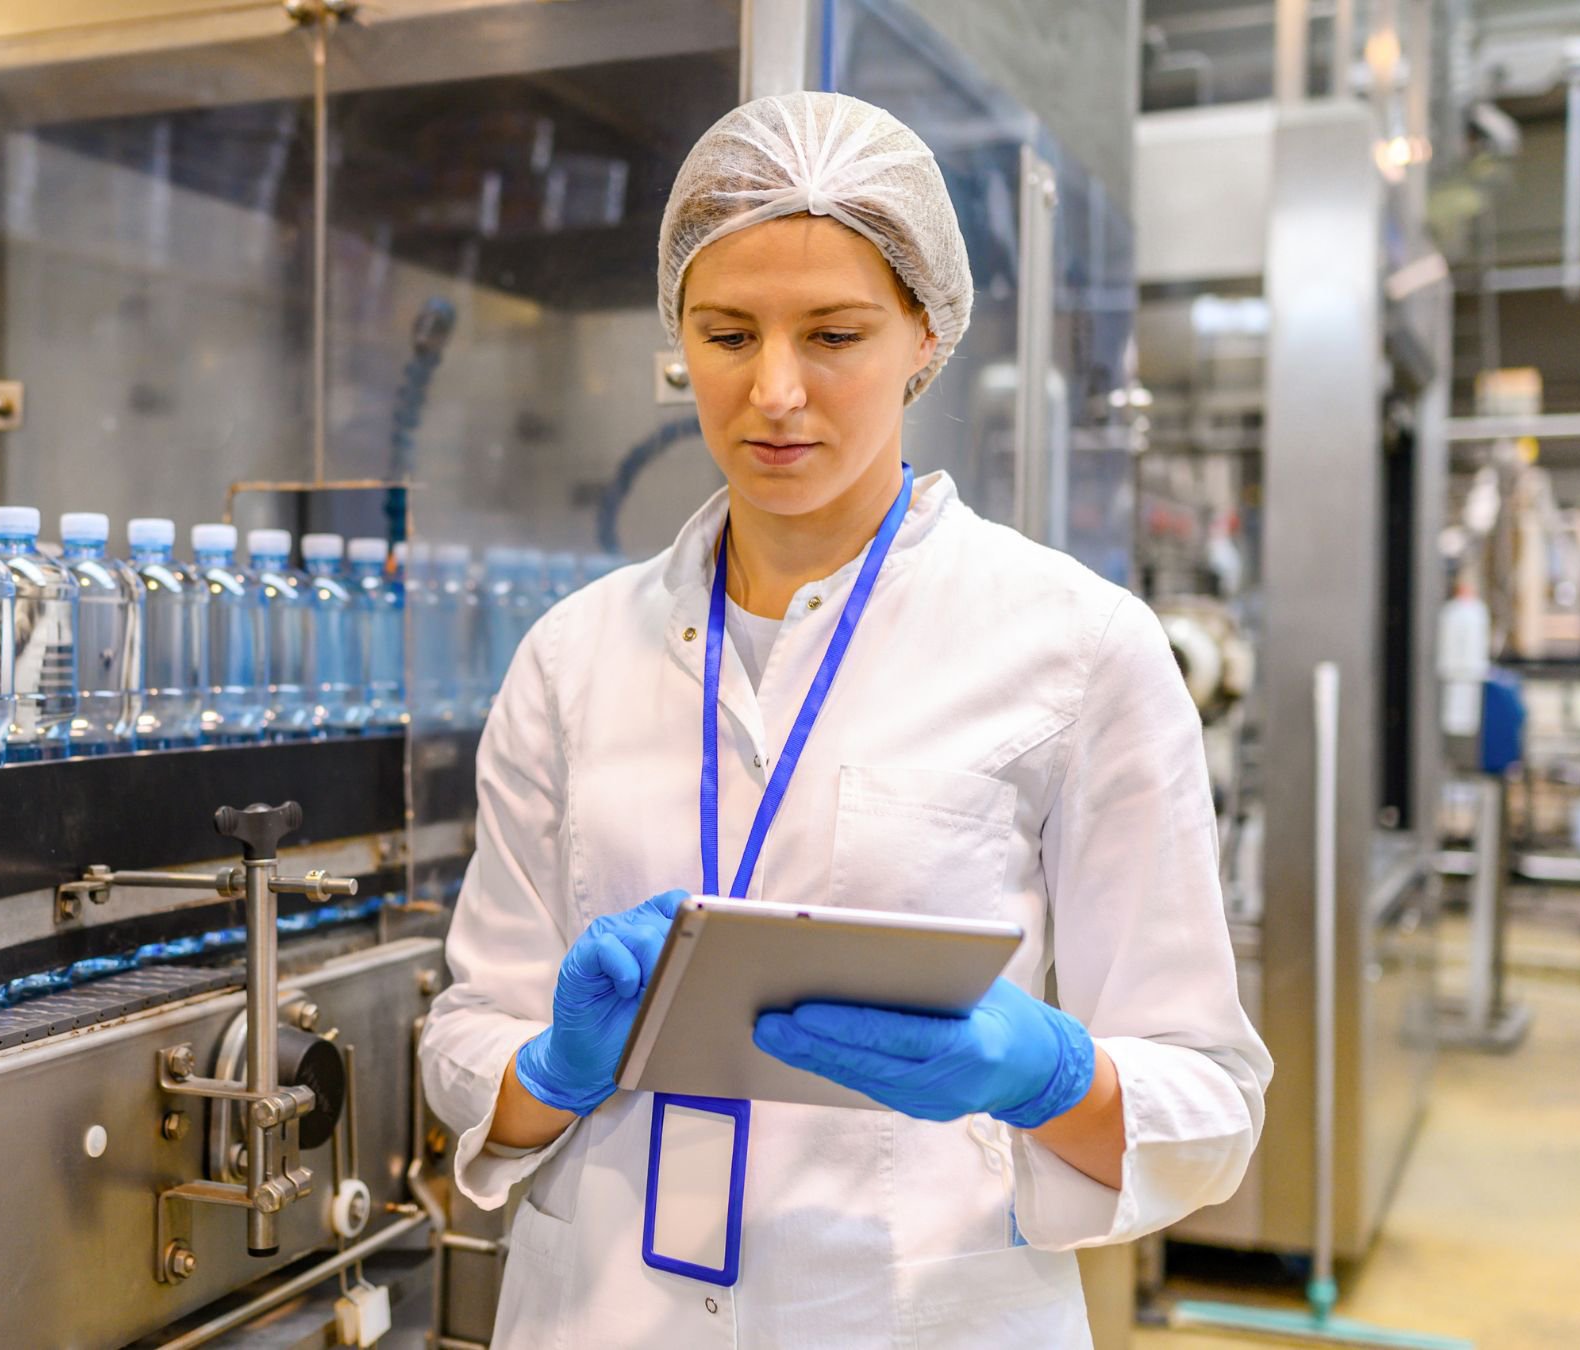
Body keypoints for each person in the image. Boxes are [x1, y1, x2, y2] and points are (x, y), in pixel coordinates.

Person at [417, 91, 1272, 1346]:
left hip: (910, 1313)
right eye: (725, 333)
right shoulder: (570, 659)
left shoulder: (1077, 647)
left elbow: (1207, 1097)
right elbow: (468, 1026)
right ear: (678, 338)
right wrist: (550, 1069)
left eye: (834, 334)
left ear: (926, 333)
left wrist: (1043, 1072)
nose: (774, 392)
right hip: (602, 1311)